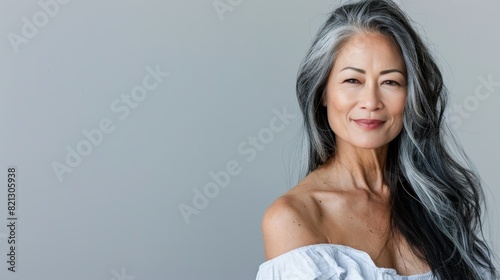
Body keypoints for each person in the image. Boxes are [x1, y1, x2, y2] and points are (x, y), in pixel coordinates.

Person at [255, 0, 499, 279]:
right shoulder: (293, 217)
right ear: (323, 92)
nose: (371, 102)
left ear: (411, 97)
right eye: (352, 81)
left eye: (390, 82)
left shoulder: (436, 201)